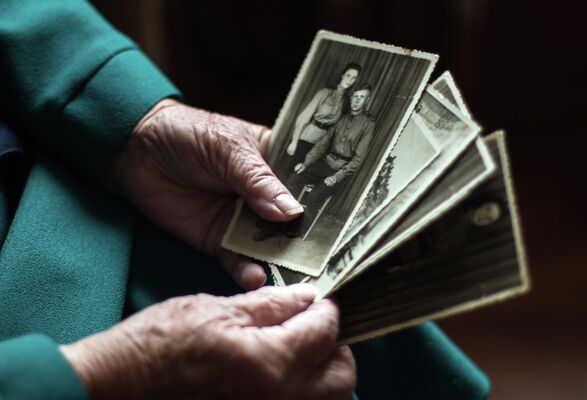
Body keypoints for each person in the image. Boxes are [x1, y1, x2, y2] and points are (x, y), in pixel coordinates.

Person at [0, 1, 491, 399]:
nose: (352, 97)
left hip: (65, 151)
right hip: (47, 338)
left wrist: (127, 120)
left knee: (354, 295)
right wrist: (102, 373)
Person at [286, 82, 375, 237]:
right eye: (355, 96)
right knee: (294, 178)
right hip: (324, 163)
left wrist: (337, 177)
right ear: (351, 97)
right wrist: (306, 163)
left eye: (362, 97)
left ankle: (299, 229)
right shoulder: (340, 119)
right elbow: (322, 144)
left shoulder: (367, 124)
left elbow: (358, 158)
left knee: (313, 196)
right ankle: (285, 218)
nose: (357, 101)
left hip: (339, 171)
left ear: (366, 101)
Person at [285, 63, 361, 170]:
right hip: (305, 138)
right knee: (284, 171)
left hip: (319, 146)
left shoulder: (346, 101)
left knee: (297, 176)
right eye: (348, 75)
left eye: (353, 78)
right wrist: (294, 141)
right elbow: (304, 117)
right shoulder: (325, 92)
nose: (349, 80)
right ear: (342, 75)